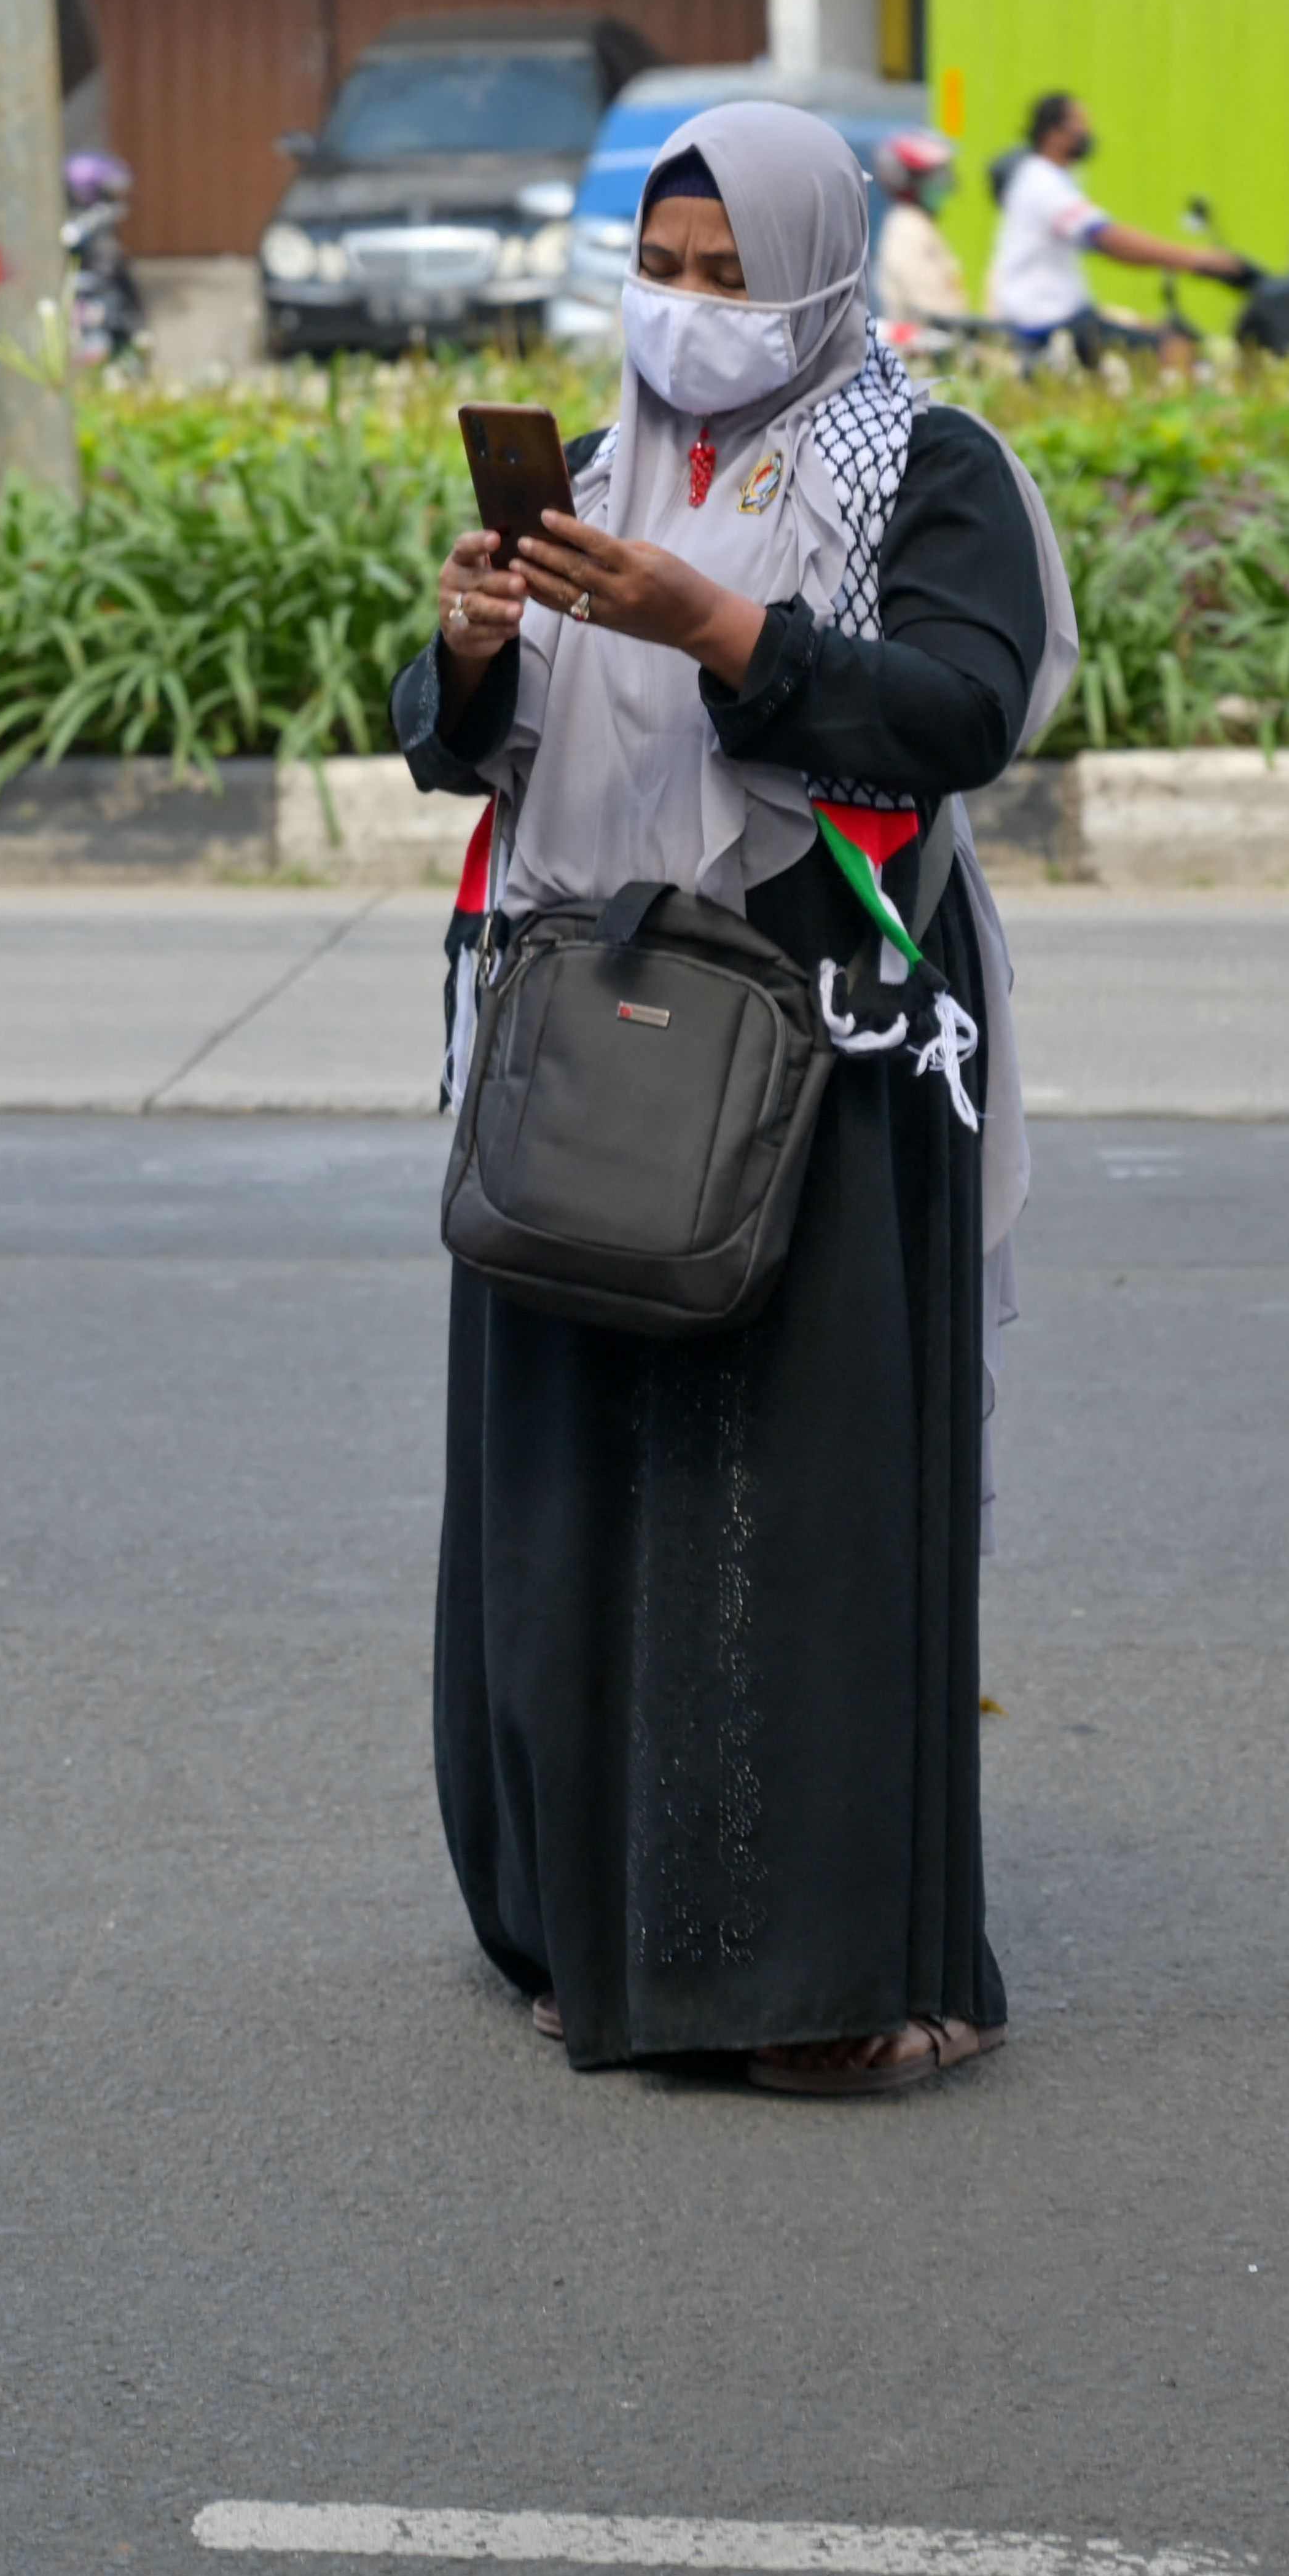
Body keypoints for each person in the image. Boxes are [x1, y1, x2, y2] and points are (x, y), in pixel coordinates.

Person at [399, 101, 1081, 2098]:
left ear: (822, 274)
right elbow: (467, 749)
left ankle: (825, 1970)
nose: (689, 310)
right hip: (586, 1022)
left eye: (732, 275)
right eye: (661, 268)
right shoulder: (604, 470)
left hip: (819, 1043)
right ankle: (590, 1930)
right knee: (572, 1486)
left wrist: (708, 624)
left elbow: (960, 708)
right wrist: (464, 650)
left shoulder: (922, 465)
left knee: (803, 1509)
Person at [987, 90, 1247, 365]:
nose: (1087, 133)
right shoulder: (1044, 183)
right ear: (1054, 135)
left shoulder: (1047, 178)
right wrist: (1195, 260)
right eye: (1079, 125)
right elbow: (1107, 238)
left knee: (1152, 332)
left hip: (1058, 315)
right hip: (1048, 320)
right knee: (1175, 349)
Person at [870, 125, 973, 345]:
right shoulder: (907, 228)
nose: (945, 182)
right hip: (919, 350)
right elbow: (932, 307)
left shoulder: (918, 224)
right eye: (935, 176)